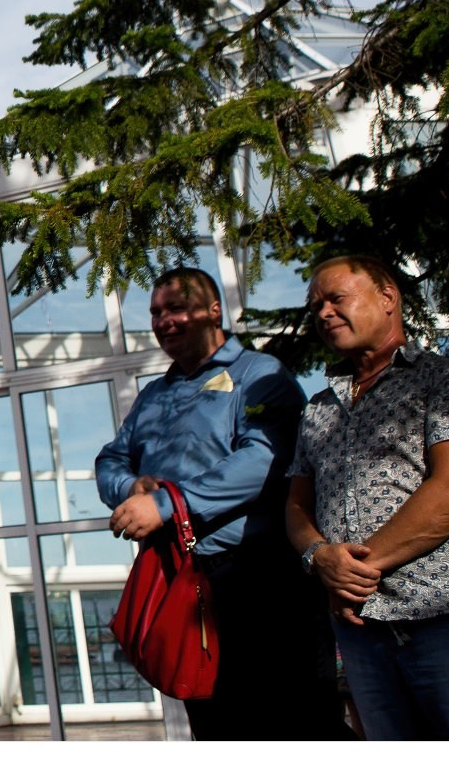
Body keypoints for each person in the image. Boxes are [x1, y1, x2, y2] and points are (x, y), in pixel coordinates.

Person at [286, 255, 449, 740]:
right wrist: (319, 557)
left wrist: (352, 569)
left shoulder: (445, 378)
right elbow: (296, 505)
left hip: (448, 616)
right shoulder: (318, 408)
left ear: (387, 299)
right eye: (314, 305)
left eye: (336, 298)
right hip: (361, 635)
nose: (322, 313)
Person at [94, 265, 347, 739]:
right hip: (184, 582)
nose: (163, 320)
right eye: (155, 312)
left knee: (296, 722)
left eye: (176, 307)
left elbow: (265, 458)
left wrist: (168, 505)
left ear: (215, 311)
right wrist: (131, 489)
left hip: (261, 579)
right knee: (214, 722)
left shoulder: (259, 374)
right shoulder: (154, 395)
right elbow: (110, 459)